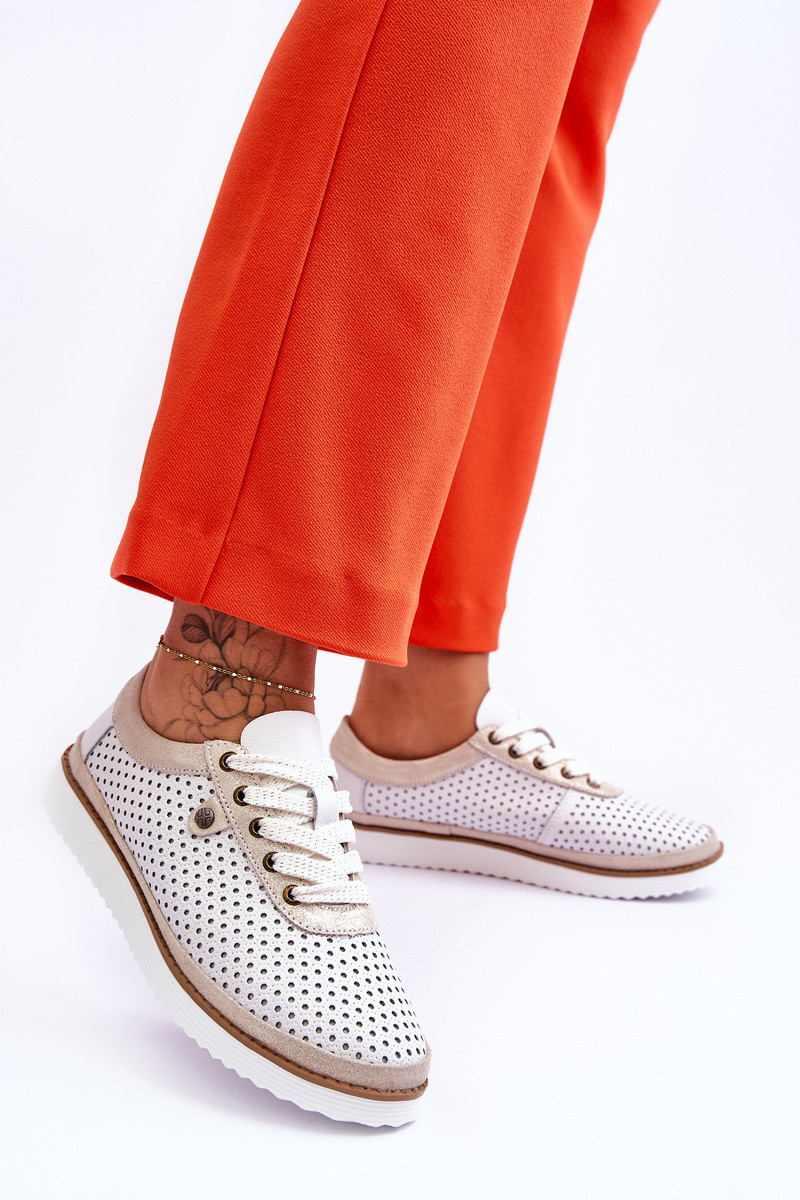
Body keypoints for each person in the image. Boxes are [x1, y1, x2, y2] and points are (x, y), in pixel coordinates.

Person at [47, 0, 723, 1126]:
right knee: (446, 47)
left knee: (548, 95)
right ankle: (211, 693)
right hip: (213, 687)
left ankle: (425, 713)